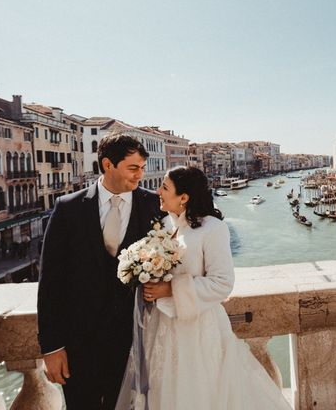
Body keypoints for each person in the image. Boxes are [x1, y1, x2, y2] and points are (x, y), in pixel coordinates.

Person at [116, 166, 291, 409]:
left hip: (198, 330)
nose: (158, 191)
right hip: (163, 328)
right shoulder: (166, 226)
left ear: (183, 197)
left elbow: (222, 283)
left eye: (165, 187)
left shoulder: (213, 228)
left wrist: (169, 290)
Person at [37, 134, 163, 409]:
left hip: (135, 345)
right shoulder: (68, 208)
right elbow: (50, 282)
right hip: (79, 346)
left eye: (142, 167)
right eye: (133, 168)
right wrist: (52, 347)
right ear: (108, 164)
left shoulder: (154, 205)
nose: (140, 174)